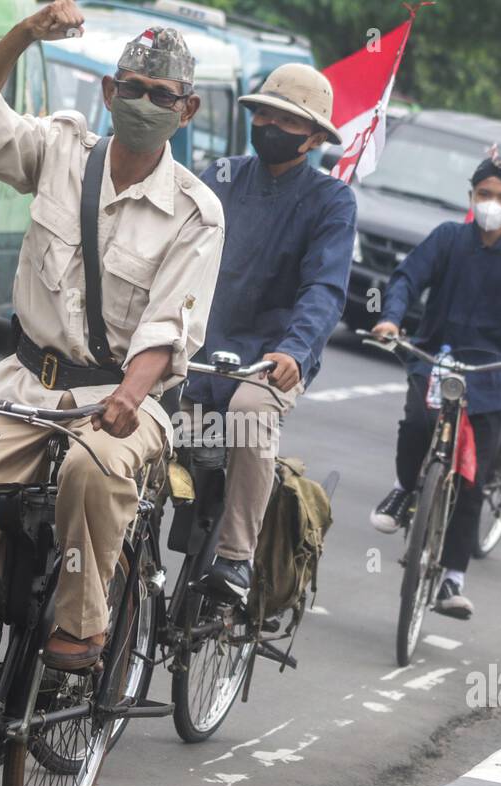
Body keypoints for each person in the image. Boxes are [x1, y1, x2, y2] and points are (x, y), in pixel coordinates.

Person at [0, 1, 225, 786]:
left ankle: (81, 625)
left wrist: (130, 398)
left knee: (93, 472)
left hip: (121, 402)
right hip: (23, 389)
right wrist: (24, 34)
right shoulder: (62, 151)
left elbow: (171, 326)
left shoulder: (198, 212)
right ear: (107, 92)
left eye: (160, 94)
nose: (142, 101)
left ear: (187, 110)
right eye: (130, 86)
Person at [186, 63, 356, 604]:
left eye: (286, 118)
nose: (269, 124)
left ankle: (236, 558)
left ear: (313, 136)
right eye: (263, 113)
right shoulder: (221, 176)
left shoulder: (332, 201)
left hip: (268, 358)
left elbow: (325, 289)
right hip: (196, 346)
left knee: (250, 415)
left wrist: (295, 350)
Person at [369, 156, 501, 620]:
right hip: (435, 357)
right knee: (417, 422)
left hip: (492, 373)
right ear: (471, 196)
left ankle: (453, 577)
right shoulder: (447, 239)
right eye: (484, 195)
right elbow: (407, 278)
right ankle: (403, 486)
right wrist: (392, 317)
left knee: (473, 480)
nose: (492, 205)